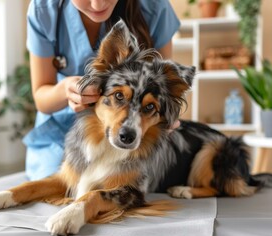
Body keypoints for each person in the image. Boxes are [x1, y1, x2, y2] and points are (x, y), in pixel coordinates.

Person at [24, 0, 181, 181]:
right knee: (61, 184)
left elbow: (164, 87)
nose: (98, 5)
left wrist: (167, 116)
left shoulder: (155, 7)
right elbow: (41, 97)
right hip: (60, 131)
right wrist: (65, 89)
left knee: (121, 189)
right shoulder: (44, 9)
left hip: (130, 132)